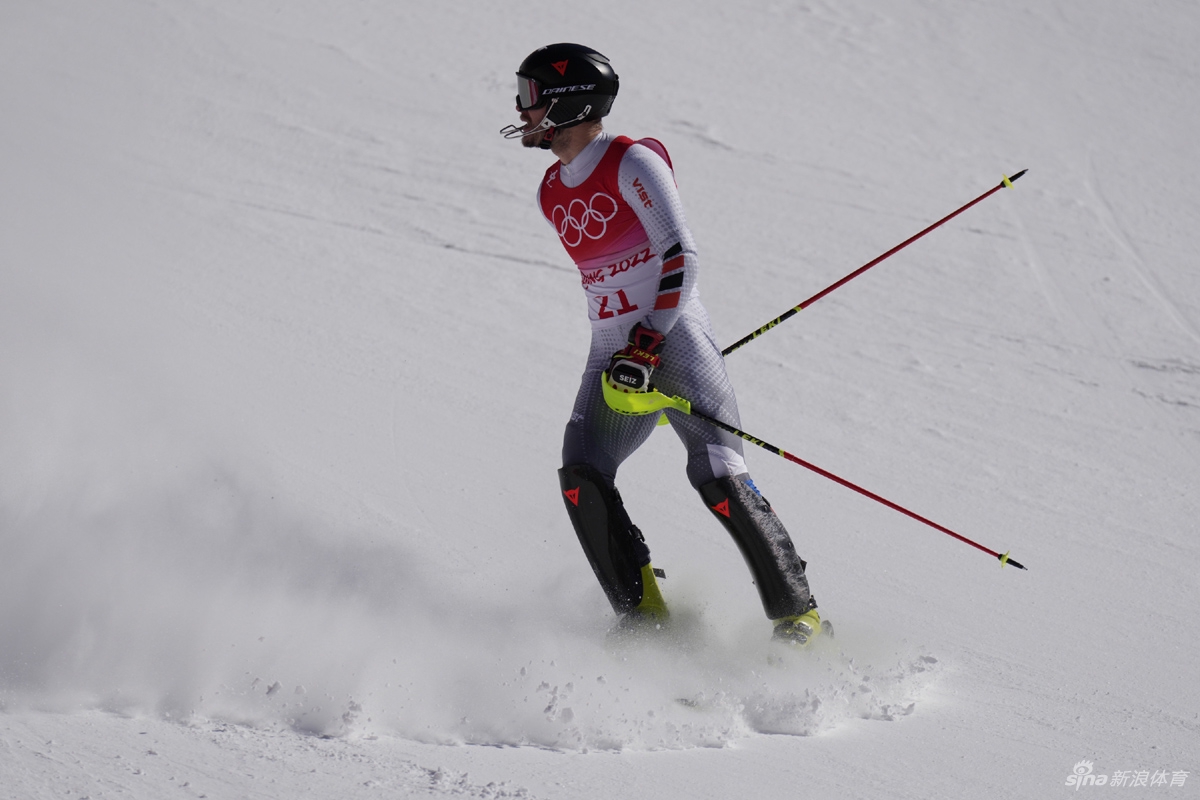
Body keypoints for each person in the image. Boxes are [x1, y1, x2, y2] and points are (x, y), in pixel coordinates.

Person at [501, 43, 825, 644]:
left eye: (530, 97)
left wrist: (648, 341)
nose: (521, 111)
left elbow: (680, 255)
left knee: (717, 471)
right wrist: (626, 349)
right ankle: (646, 621)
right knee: (581, 475)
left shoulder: (630, 160)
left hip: (669, 340)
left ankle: (800, 621)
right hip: (610, 353)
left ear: (569, 103)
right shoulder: (550, 192)